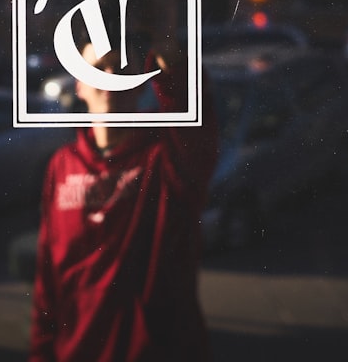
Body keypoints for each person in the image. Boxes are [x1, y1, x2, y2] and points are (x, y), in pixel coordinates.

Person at [28, 35, 218, 362]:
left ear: (140, 83)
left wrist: (172, 56)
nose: (110, 78)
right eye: (98, 68)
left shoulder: (166, 156)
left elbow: (195, 123)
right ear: (78, 85)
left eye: (121, 69)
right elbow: (48, 280)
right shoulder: (62, 165)